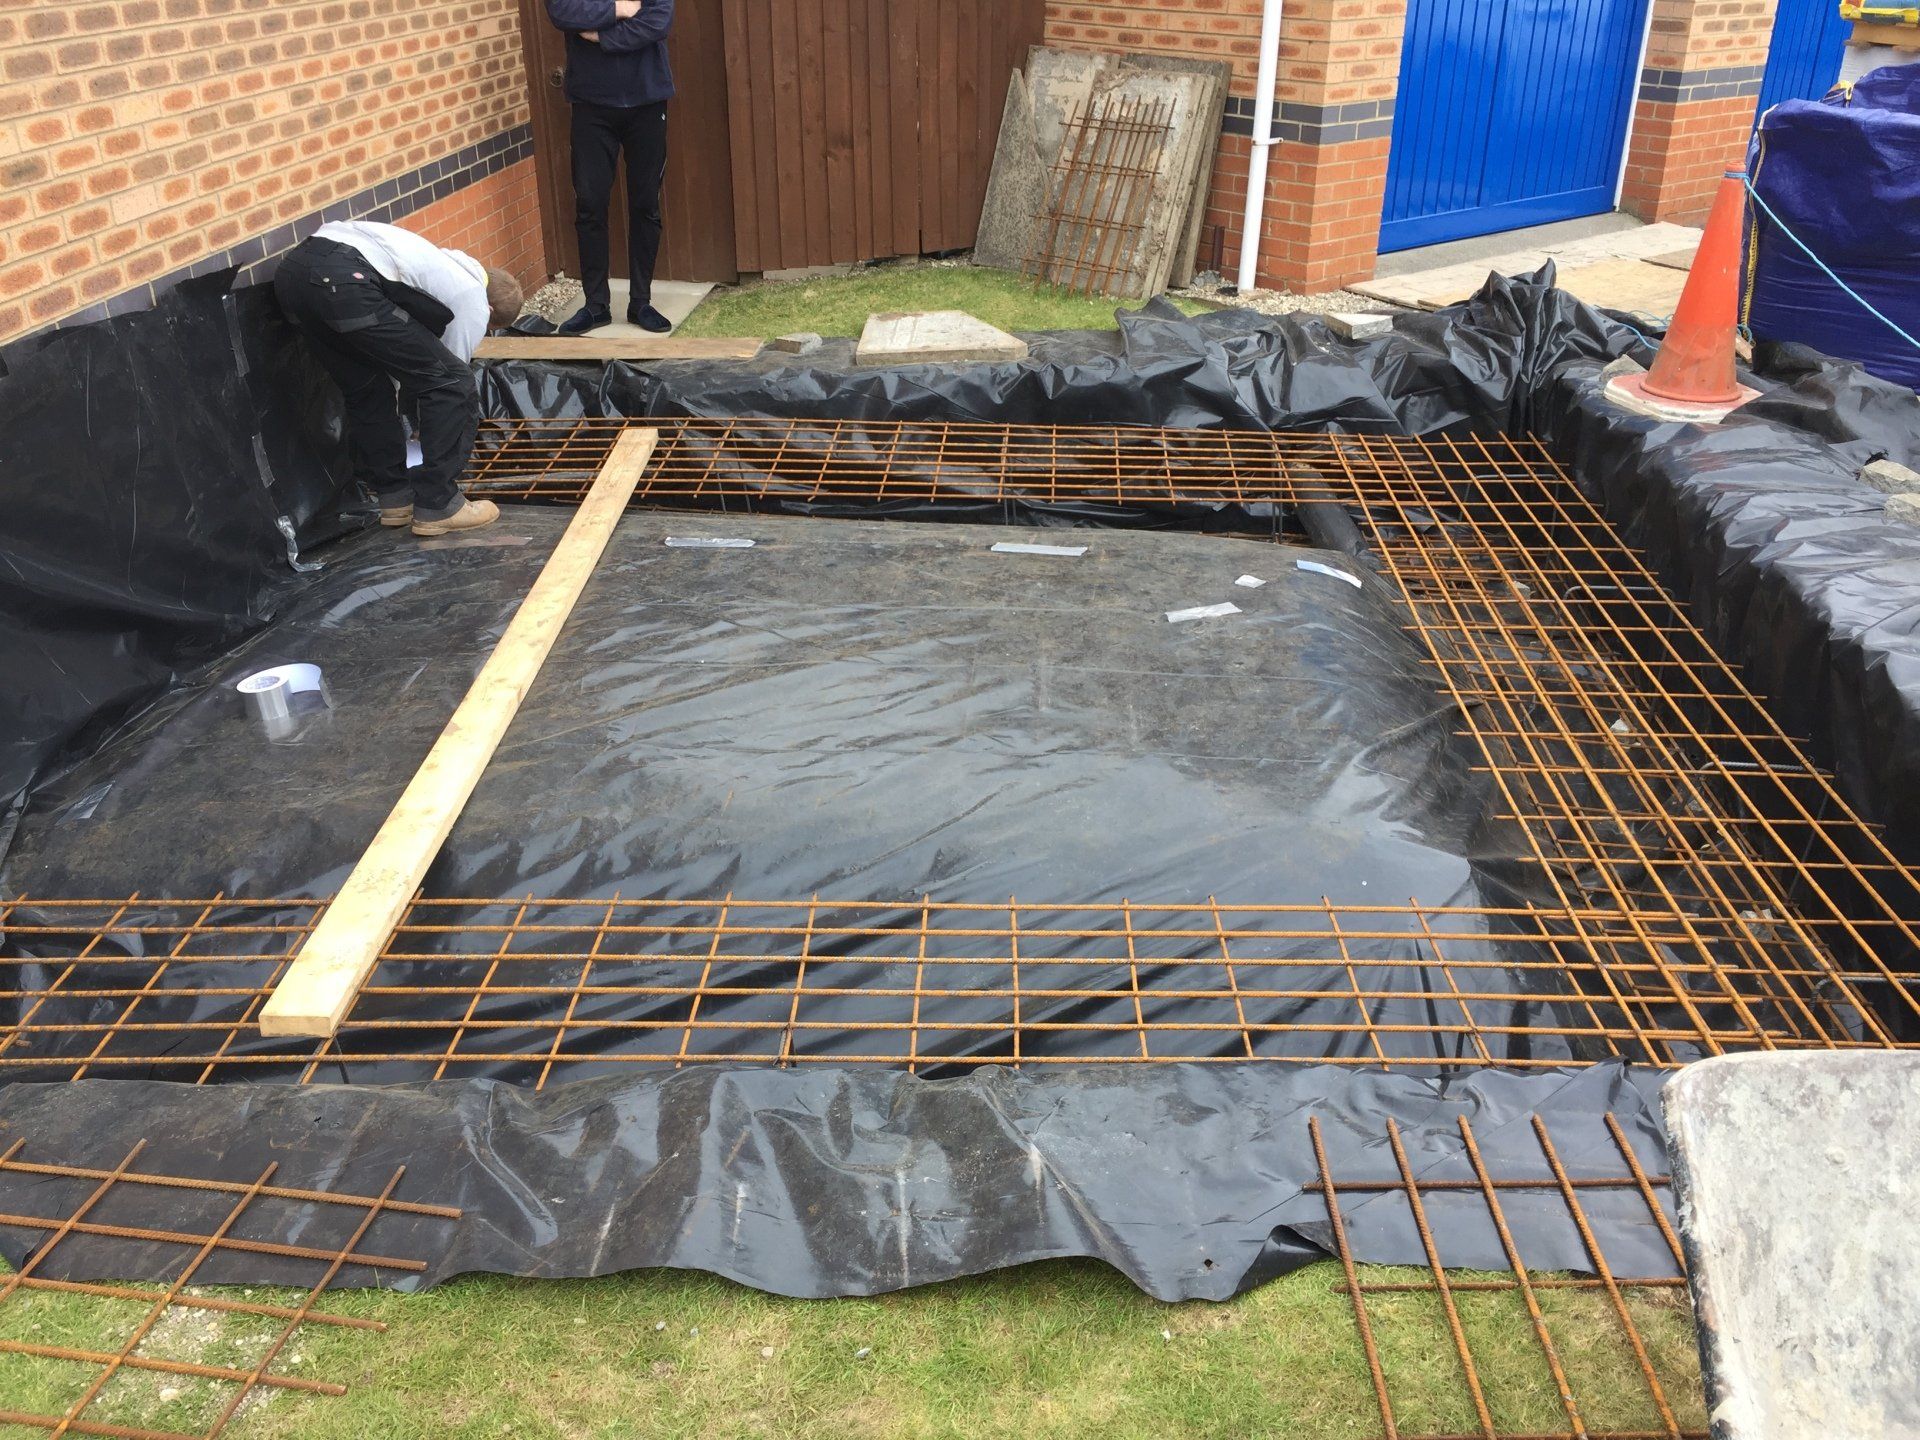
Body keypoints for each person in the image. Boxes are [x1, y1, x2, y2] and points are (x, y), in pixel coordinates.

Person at [274, 221, 522, 537]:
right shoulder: (471, 297)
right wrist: (425, 427)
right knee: (455, 384)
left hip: (294, 275)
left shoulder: (448, 264)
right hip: (342, 278)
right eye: (487, 328)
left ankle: (395, 497)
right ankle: (440, 503)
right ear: (489, 311)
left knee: (367, 388)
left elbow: (416, 364)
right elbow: (446, 381)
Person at [545, 0, 676, 335]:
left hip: (647, 100)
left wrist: (602, 38)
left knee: (646, 203)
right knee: (589, 204)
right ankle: (595, 306)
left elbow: (657, 21)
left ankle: (641, 303)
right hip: (591, 104)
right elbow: (563, 12)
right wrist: (621, 7)